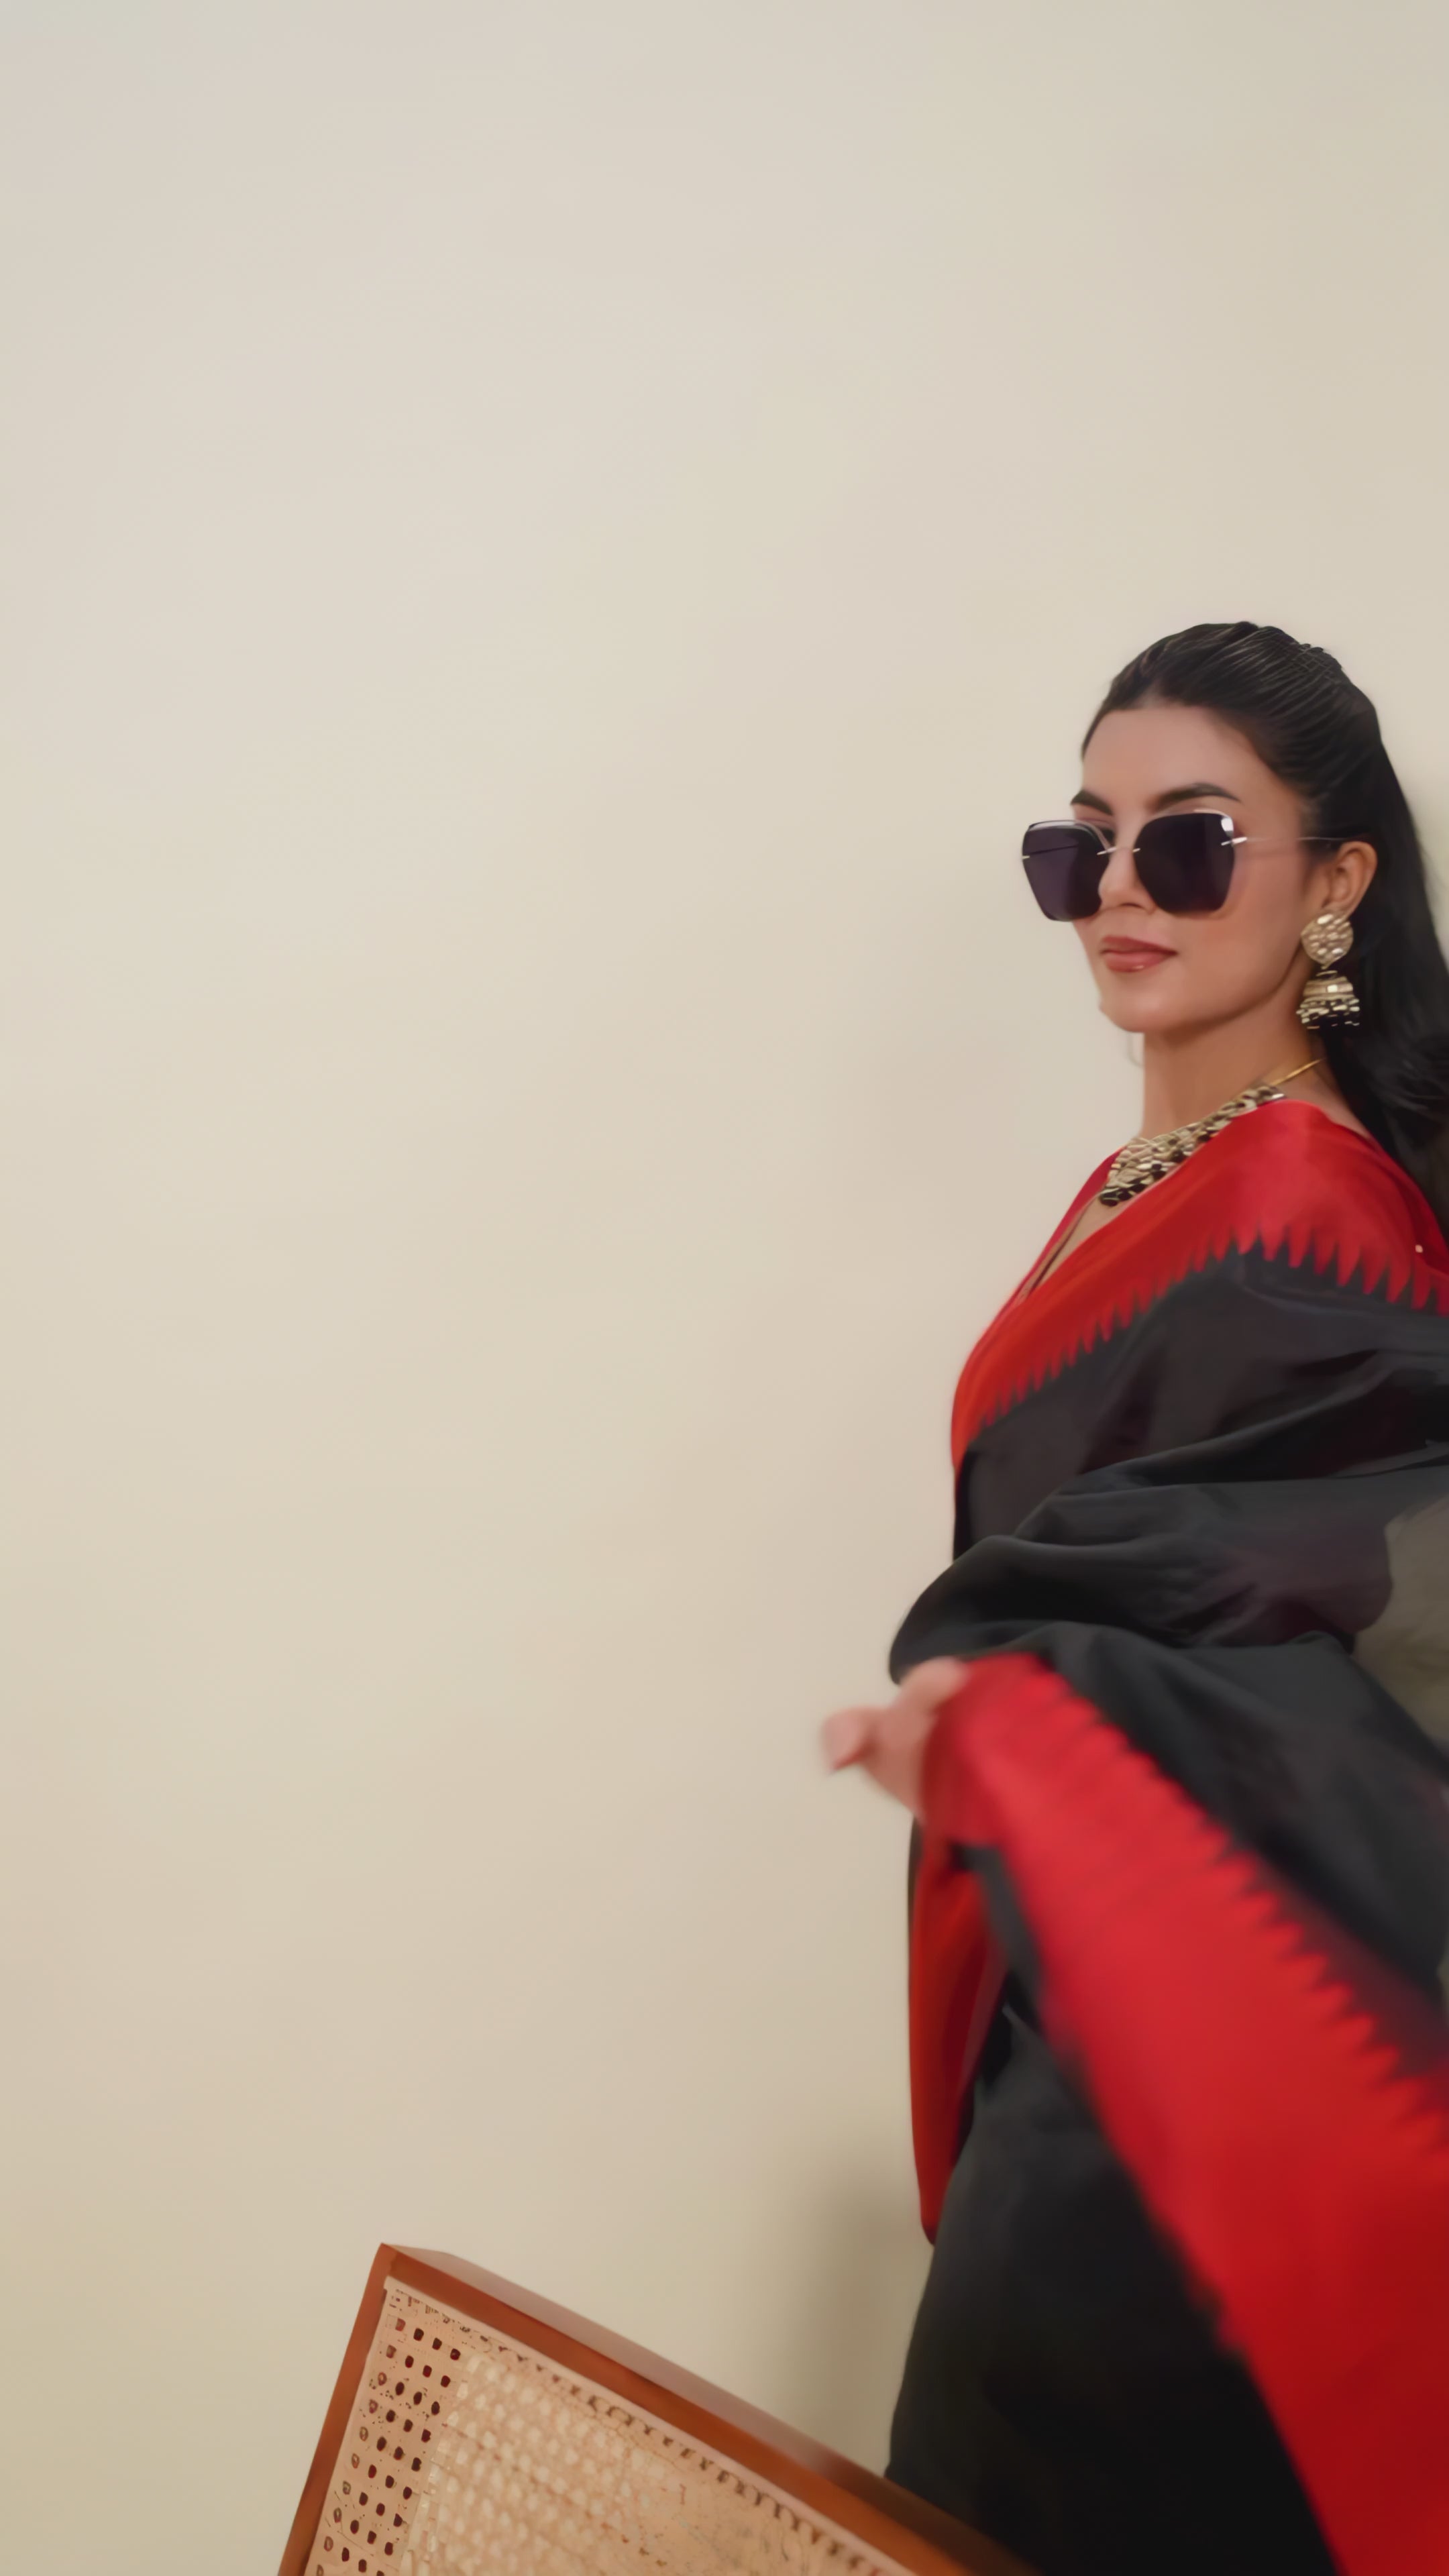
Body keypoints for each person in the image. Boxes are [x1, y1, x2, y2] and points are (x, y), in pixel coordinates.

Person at [822, 623, 1449, 2576]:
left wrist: (1024, 1715)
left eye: (1187, 843)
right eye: (1077, 843)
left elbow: (1301, 1649)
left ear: (1337, 880)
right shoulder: (1154, 1178)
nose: (1114, 890)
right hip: (1070, 2008)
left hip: (1188, 2076)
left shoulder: (1309, 1216)